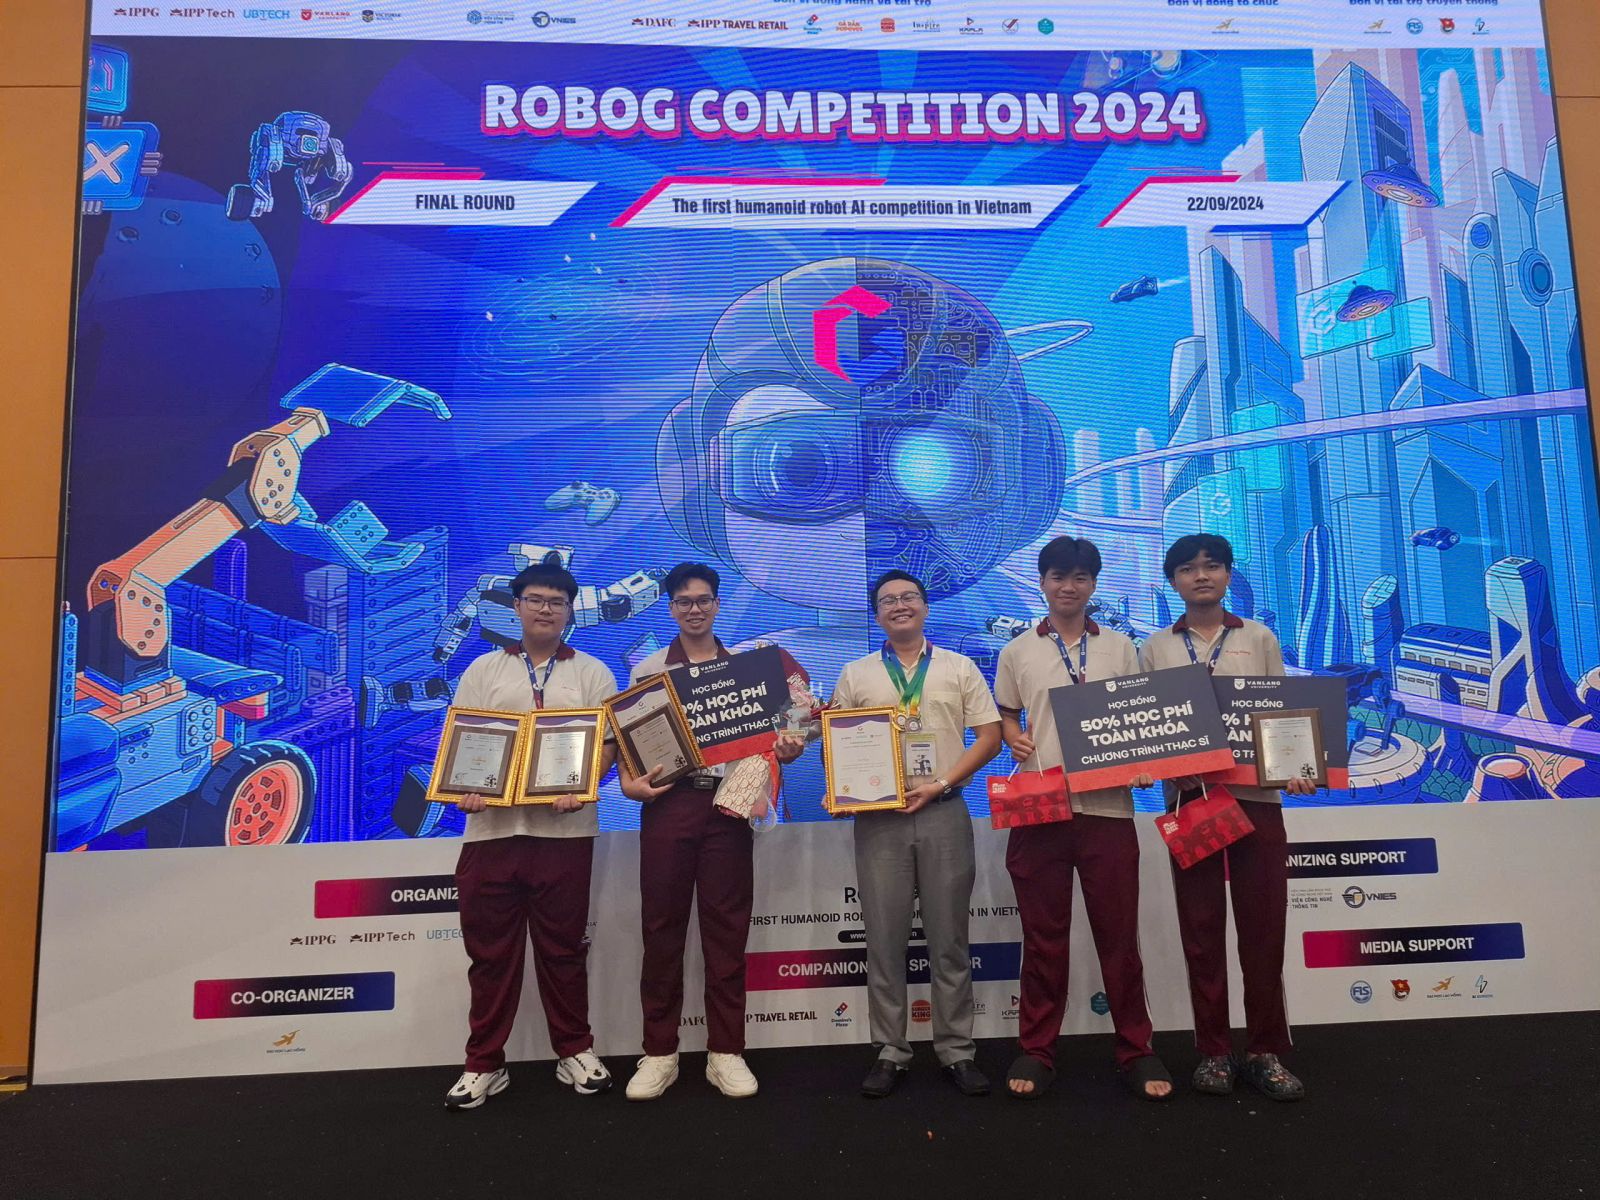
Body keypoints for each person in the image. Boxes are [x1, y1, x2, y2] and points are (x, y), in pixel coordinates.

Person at [994, 537, 1173, 1102]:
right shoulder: (1018, 650)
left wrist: (1143, 763)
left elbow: (1140, 719)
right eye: (1057, 576)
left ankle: (1137, 1049)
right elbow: (1006, 712)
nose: (1067, 587)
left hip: (1108, 810)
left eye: (1078, 577)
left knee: (1119, 939)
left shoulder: (1121, 648)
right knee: (1043, 939)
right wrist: (1013, 735)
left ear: (1093, 584)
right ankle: (1037, 1049)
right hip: (1040, 808)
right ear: (1042, 582)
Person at [619, 563, 807, 1101]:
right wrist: (631, 785)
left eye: (703, 600)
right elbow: (629, 747)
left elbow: (795, 718)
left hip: (730, 805)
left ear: (718, 604)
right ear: (671, 608)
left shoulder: (750, 667)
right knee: (661, 930)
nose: (694, 609)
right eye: (684, 601)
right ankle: (659, 1052)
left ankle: (726, 1051)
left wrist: (791, 744)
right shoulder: (649, 670)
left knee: (726, 931)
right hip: (670, 805)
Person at [1138, 533, 1313, 1102]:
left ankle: (1265, 1050)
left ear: (1229, 574)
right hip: (1191, 803)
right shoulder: (1155, 647)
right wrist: (1153, 765)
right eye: (1188, 569)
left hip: (1257, 801)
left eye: (1212, 566)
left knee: (1264, 930)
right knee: (1201, 931)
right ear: (1173, 581)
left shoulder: (1258, 637)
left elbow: (1283, 715)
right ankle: (1213, 1050)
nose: (1201, 576)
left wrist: (1297, 767)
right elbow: (1148, 725)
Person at [444, 563, 619, 1110]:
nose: (546, 609)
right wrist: (466, 789)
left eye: (557, 602)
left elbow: (608, 745)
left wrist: (585, 786)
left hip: (565, 834)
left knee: (563, 950)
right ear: (516, 607)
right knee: (490, 955)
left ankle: (574, 1050)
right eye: (536, 599)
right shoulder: (482, 669)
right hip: (490, 833)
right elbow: (463, 740)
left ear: (570, 612)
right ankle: (484, 1063)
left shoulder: (593, 672)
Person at [830, 570, 1001, 1099]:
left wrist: (943, 782)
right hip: (880, 820)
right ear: (877, 613)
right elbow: (838, 744)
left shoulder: (959, 667)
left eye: (908, 597)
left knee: (949, 938)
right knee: (884, 940)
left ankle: (956, 1049)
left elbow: (990, 737)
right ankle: (890, 1050)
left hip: (944, 811)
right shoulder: (856, 674)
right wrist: (846, 790)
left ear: (925, 607)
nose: (899, 605)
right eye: (888, 600)